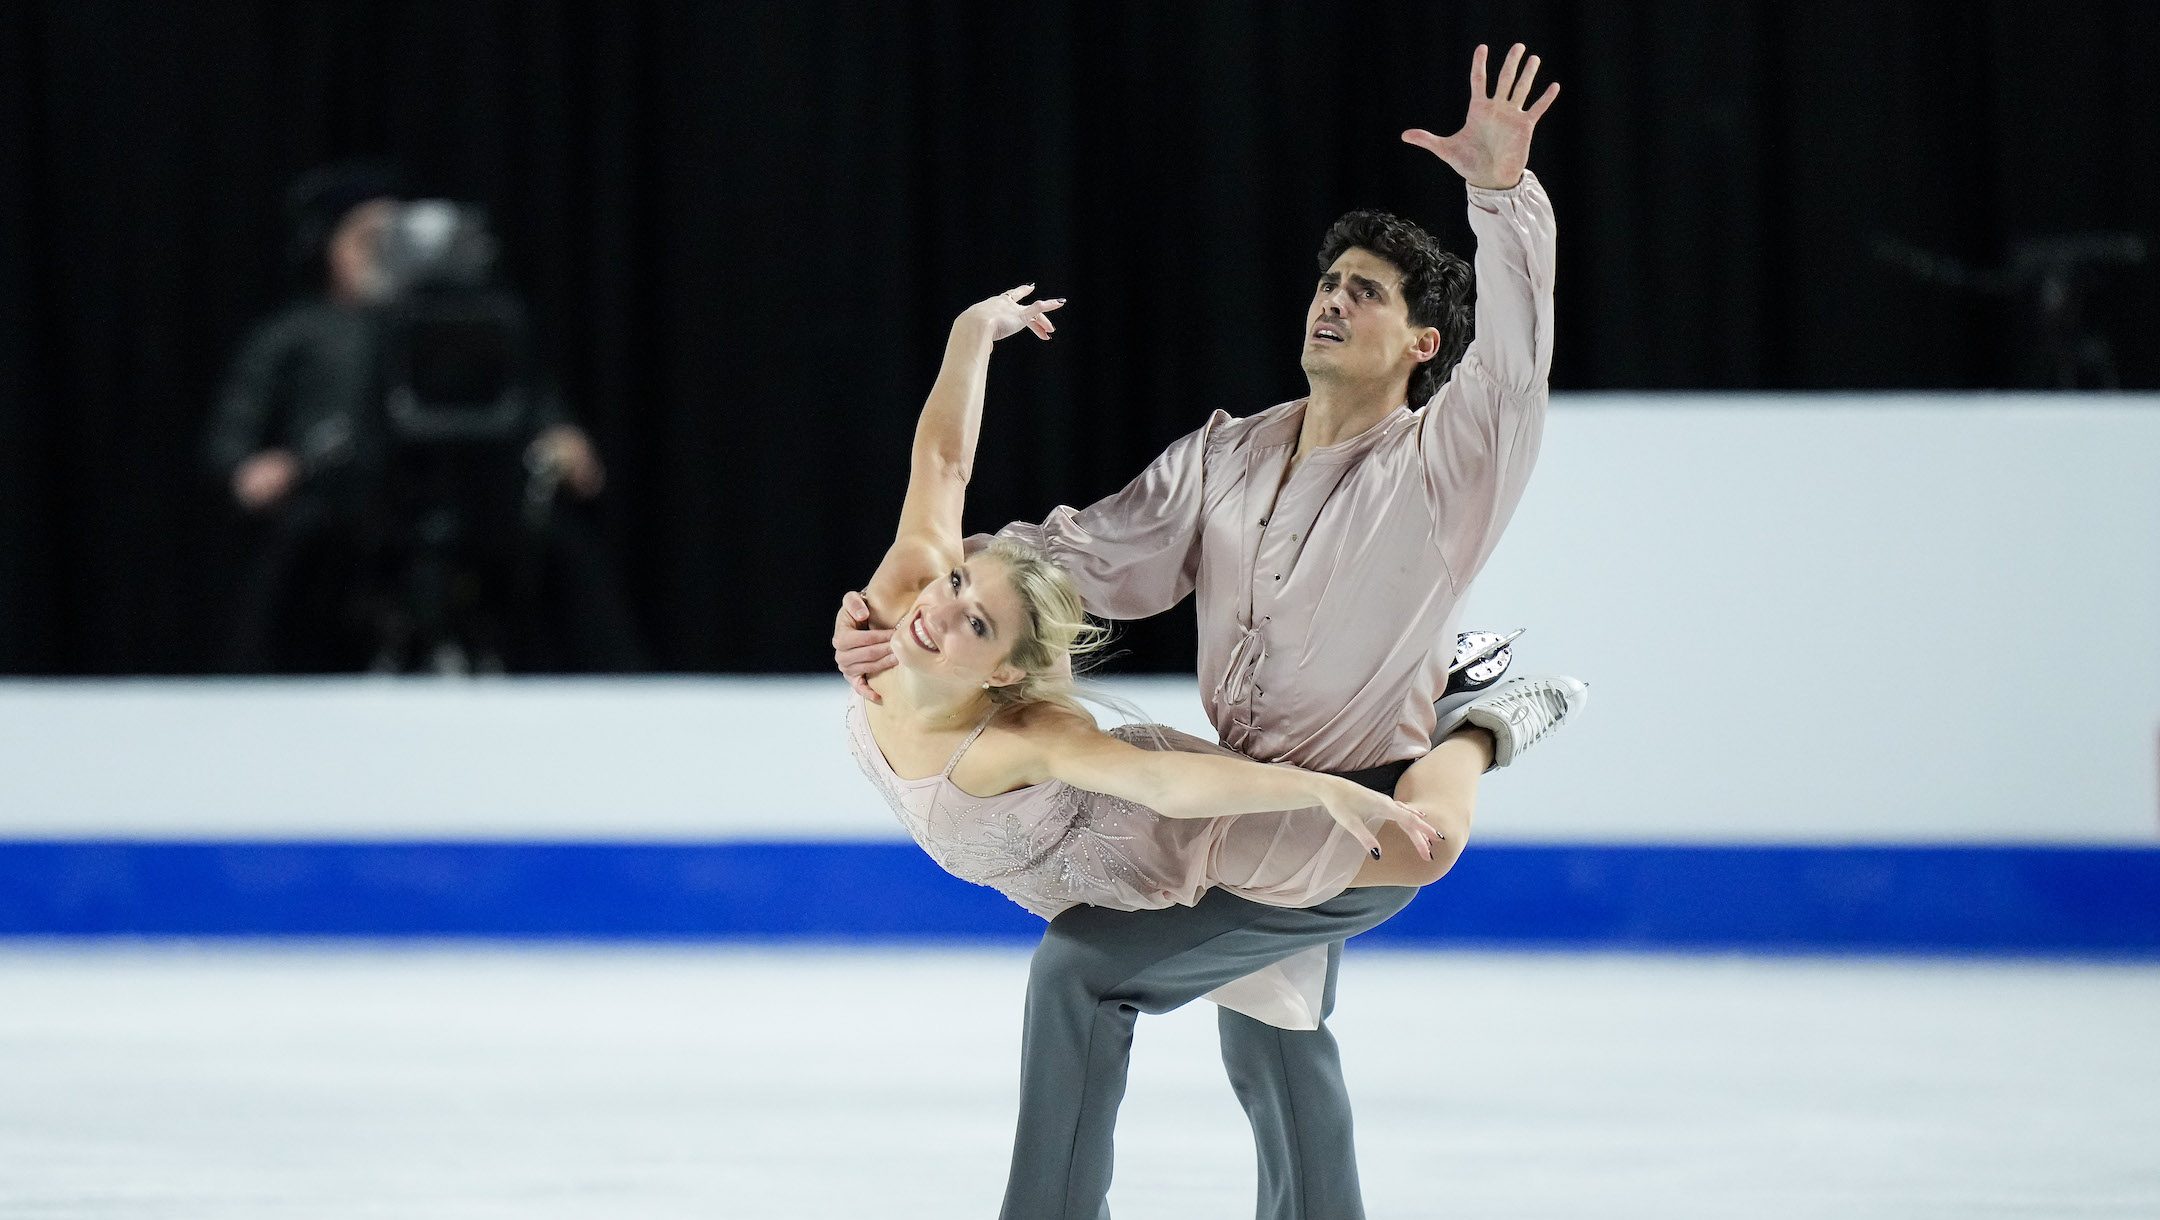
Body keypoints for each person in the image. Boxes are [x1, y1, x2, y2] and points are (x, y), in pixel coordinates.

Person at [836, 43, 1578, 1219]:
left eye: (1369, 292)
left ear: (1422, 345)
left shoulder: (1450, 463)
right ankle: (1472, 715)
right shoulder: (1227, 455)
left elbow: (1522, 355)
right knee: (1271, 1034)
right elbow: (1078, 564)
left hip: (1353, 810)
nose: (1334, 298)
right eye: (1329, 281)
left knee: (1085, 971)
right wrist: (929, 610)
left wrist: (1499, 195)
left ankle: (1468, 727)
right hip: (1244, 791)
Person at [204, 161, 640, 673]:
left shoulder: (468, 323)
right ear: (325, 246)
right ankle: (244, 692)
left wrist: (561, 437)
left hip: (470, 494)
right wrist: (250, 469)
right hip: (345, 500)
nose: (383, 256)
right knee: (294, 554)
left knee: (563, 549)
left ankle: (625, 692)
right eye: (368, 240)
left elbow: (527, 399)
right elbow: (234, 431)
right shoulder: (297, 334)